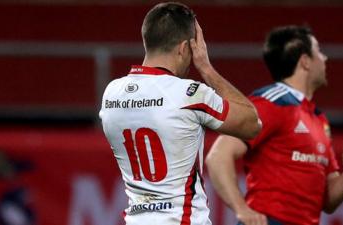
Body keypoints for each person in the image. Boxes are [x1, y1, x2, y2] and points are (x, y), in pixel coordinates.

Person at [99, 2, 261, 225]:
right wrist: (206, 68)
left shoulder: (111, 93)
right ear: (185, 48)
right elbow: (252, 123)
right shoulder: (190, 94)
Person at [206, 25, 343, 225]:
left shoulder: (318, 118)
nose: (325, 59)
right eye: (319, 52)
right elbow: (218, 156)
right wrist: (242, 209)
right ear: (305, 61)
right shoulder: (272, 102)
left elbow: (328, 201)